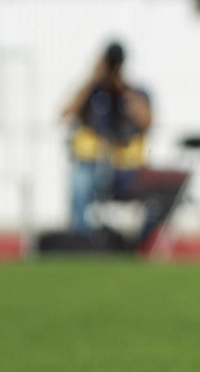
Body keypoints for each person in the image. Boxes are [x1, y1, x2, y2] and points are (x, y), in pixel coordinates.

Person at [62, 41, 152, 232]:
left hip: (125, 169)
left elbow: (147, 122)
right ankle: (83, 238)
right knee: (80, 182)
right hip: (93, 164)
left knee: (155, 193)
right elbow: (66, 113)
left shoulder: (131, 91)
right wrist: (92, 80)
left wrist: (121, 88)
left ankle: (134, 244)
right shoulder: (92, 92)